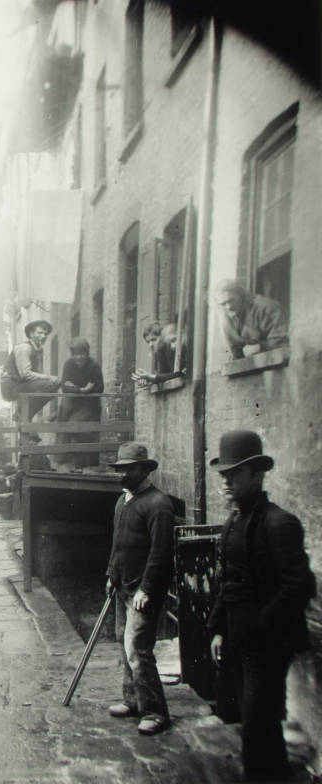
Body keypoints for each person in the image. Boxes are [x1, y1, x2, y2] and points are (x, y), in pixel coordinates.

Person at [207, 430, 316, 783]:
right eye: (223, 475)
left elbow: (300, 586)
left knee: (257, 723)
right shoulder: (234, 522)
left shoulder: (280, 523)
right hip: (241, 638)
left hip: (269, 642)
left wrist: (260, 625)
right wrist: (220, 629)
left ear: (257, 475)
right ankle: (274, 773)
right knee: (254, 724)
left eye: (233, 474)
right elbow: (229, 583)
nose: (226, 482)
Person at [105, 442, 175, 736]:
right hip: (123, 584)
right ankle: (132, 701)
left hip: (142, 591)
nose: (122, 475)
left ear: (144, 470)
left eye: (128, 470)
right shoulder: (124, 502)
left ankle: (155, 711)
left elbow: (161, 553)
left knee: (138, 648)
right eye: (120, 469)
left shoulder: (158, 504)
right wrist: (111, 574)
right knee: (123, 642)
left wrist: (147, 589)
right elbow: (117, 544)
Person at [0, 320, 60, 420]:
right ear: (31, 334)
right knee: (52, 384)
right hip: (10, 386)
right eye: (40, 333)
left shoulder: (36, 350)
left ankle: (23, 415)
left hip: (19, 384)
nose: (43, 336)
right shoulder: (25, 348)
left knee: (52, 384)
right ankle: (21, 414)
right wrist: (49, 377)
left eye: (45, 334)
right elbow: (26, 374)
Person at [58, 337, 104, 468]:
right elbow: (64, 386)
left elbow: (100, 387)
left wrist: (79, 389)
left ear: (87, 353)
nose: (78, 357)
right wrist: (81, 390)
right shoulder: (68, 364)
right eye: (75, 354)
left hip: (89, 406)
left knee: (84, 434)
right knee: (66, 431)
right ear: (72, 354)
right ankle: (68, 465)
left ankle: (89, 467)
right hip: (72, 405)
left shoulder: (94, 365)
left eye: (81, 354)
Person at [214, 279, 288, 359]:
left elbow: (281, 343)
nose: (229, 307)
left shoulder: (266, 308)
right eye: (223, 304)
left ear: (240, 295)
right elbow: (235, 352)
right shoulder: (227, 318)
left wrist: (259, 348)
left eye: (231, 300)